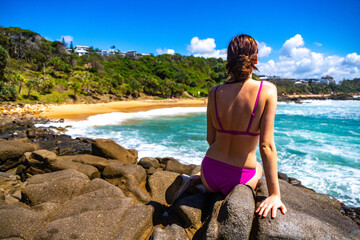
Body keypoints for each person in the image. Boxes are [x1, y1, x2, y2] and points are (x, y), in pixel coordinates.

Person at [166, 34, 287, 219]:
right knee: (259, 168)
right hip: (239, 179)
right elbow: (266, 146)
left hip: (210, 171)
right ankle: (195, 183)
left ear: (228, 60)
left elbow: (210, 139)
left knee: (210, 180)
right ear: (255, 60)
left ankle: (195, 182)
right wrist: (274, 195)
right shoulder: (267, 90)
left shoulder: (214, 92)